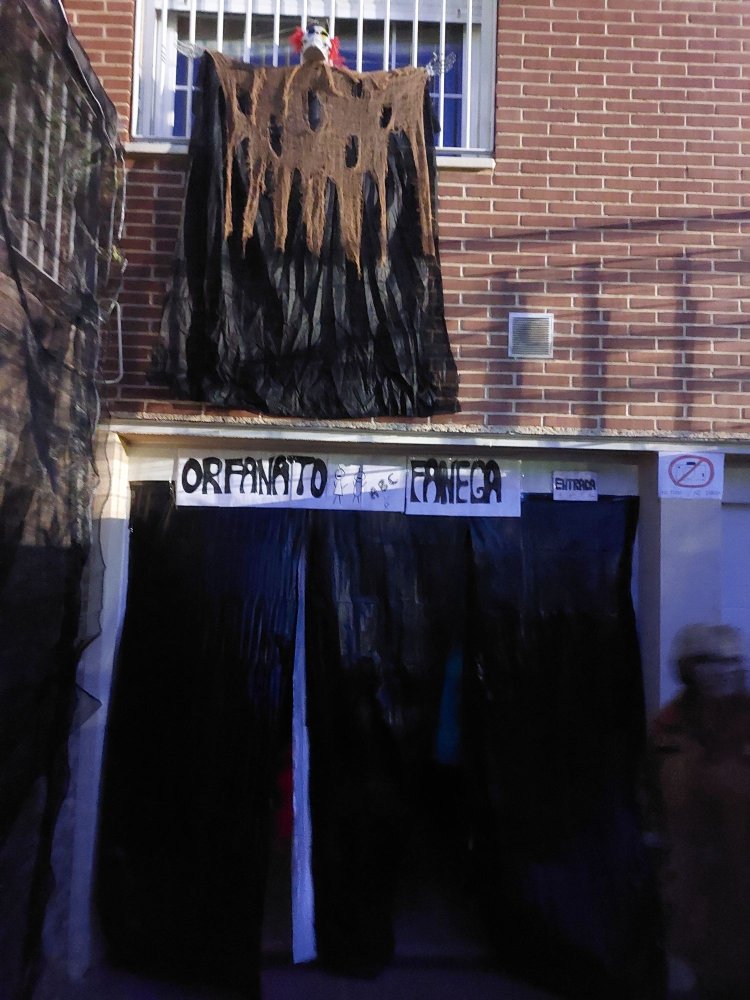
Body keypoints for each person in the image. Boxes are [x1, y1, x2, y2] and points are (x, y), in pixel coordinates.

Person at [650, 624, 750, 1000]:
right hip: (691, 860)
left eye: (733, 661)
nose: (726, 670)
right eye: (712, 661)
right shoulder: (669, 727)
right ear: (690, 667)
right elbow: (659, 793)